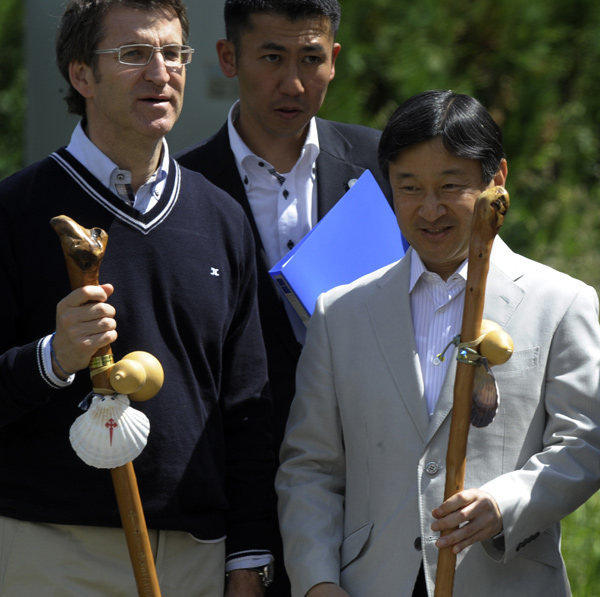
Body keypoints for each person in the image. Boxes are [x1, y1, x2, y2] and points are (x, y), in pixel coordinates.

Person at [275, 90, 600, 596]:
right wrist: (317, 580)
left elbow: (586, 441)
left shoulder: (561, 302)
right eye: (409, 188)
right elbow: (309, 468)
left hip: (505, 580)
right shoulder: (340, 312)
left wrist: (503, 504)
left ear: (498, 180)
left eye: (451, 186)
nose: (429, 209)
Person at [0, 1, 274, 595]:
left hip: (195, 557)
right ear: (81, 75)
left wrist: (248, 556)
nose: (161, 71)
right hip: (56, 551)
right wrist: (52, 359)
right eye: (133, 54)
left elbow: (248, 406)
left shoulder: (224, 218)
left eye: (173, 53)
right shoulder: (14, 212)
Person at [175, 2, 392, 592]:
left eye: (310, 59)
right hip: (237, 511)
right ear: (228, 58)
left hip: (379, 499)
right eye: (271, 57)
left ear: (335, 60)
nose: (292, 83)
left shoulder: (387, 168)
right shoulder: (179, 190)